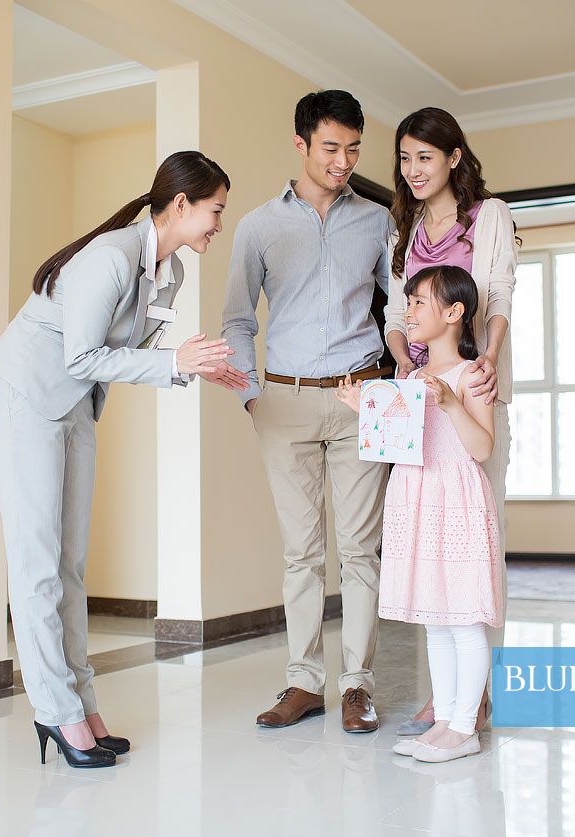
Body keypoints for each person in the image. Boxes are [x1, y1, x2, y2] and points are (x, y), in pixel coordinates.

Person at [0, 151, 247, 768]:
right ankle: (56, 710)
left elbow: (140, 355)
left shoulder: (171, 271)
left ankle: (83, 704)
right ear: (180, 204)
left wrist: (196, 370)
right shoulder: (107, 259)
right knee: (37, 564)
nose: (217, 225)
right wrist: (175, 363)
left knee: (72, 565)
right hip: (28, 399)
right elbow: (81, 356)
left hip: (75, 405)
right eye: (214, 212)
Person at [221, 90, 393, 733]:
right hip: (283, 399)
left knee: (361, 551)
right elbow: (237, 318)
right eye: (331, 148)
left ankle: (358, 686)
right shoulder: (259, 227)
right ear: (300, 145)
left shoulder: (377, 221)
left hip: (361, 397)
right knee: (301, 553)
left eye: (353, 149)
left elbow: (400, 311)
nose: (344, 161)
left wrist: (402, 381)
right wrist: (249, 392)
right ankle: (303, 682)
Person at [383, 107, 518, 735]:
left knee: (473, 541)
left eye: (425, 158)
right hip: (419, 401)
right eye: (405, 158)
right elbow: (395, 312)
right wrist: (405, 379)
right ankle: (451, 694)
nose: (413, 171)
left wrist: (481, 363)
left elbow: (496, 293)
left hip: (471, 387)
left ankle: (473, 692)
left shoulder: (488, 216)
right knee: (428, 539)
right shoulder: (404, 228)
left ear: (454, 158)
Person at [338, 265, 504, 763]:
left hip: (455, 501)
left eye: (417, 303)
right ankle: (445, 722)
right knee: (435, 619)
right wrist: (362, 411)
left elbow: (480, 448)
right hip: (416, 500)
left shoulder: (472, 375)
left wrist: (452, 403)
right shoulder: (407, 377)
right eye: (407, 303)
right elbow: (400, 444)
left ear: (454, 313)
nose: (406, 312)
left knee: (465, 619)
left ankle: (464, 727)